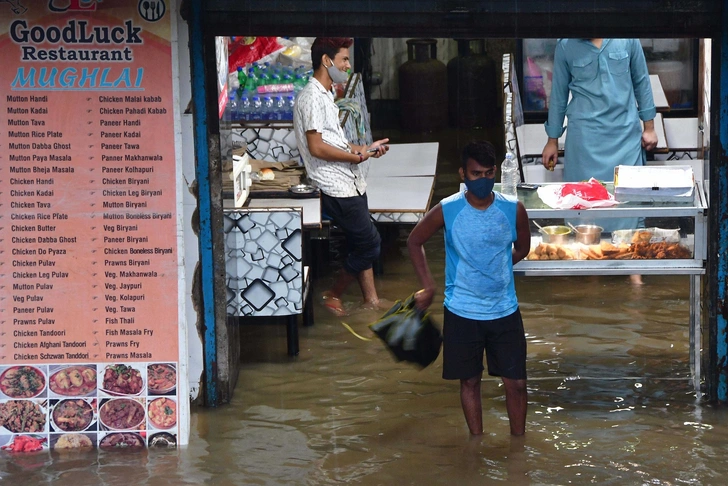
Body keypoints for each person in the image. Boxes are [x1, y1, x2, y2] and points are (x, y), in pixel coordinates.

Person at [407, 141, 531, 436]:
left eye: (489, 173)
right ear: (463, 174)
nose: (484, 180)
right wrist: (429, 286)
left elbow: (523, 249)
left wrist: (496, 265)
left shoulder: (513, 210)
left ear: (496, 172)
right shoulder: (447, 209)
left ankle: (518, 445)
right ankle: (476, 442)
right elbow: (414, 241)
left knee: (517, 383)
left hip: (504, 310)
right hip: (462, 312)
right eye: (476, 174)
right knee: (470, 381)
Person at [541, 38, 657, 285]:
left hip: (625, 134)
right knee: (584, 202)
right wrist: (552, 139)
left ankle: (633, 268)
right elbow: (559, 95)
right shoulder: (566, 46)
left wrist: (649, 126)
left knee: (629, 200)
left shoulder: (627, 39)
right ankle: (589, 264)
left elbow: (642, 82)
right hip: (584, 138)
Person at [293, 37, 390, 316]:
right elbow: (317, 147)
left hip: (349, 180)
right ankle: (333, 294)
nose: (348, 66)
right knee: (371, 244)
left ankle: (370, 300)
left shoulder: (325, 95)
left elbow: (335, 142)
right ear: (327, 61)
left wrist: (364, 149)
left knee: (362, 241)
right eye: (344, 59)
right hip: (334, 186)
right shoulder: (311, 97)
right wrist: (356, 157)